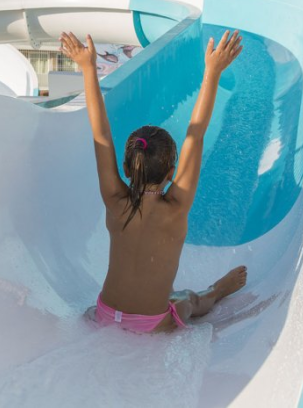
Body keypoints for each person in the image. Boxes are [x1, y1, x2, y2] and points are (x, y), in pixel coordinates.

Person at [59, 30, 247, 334]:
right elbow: (195, 136)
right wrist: (213, 72)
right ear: (172, 173)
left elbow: (101, 135)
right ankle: (217, 290)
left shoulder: (114, 200)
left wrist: (88, 67)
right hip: (150, 324)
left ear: (126, 167)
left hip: (106, 313)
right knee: (189, 299)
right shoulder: (176, 207)